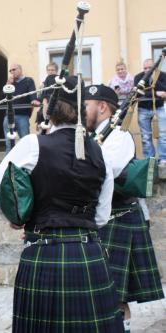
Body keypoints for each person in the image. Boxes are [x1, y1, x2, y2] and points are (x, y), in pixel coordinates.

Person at [0, 77, 124, 332]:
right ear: (82, 111)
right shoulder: (99, 152)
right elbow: (102, 216)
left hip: (43, 253)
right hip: (88, 252)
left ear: (47, 106)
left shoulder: (32, 144)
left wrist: (15, 217)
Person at [84, 84, 164, 332]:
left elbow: (105, 172)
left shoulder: (119, 137)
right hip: (102, 221)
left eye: (85, 105)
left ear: (102, 107)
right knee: (100, 292)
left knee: (115, 295)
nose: (81, 111)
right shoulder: (91, 138)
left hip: (120, 219)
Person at [134, 58, 166, 165]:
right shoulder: (138, 77)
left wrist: (154, 80)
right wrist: (157, 94)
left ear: (155, 68)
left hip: (159, 108)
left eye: (150, 68)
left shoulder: (163, 75)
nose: (147, 70)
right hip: (143, 109)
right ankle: (150, 160)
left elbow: (165, 90)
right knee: (146, 136)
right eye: (145, 68)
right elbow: (138, 94)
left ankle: (163, 159)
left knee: (163, 135)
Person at [3, 63, 40, 152]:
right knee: (8, 144)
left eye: (14, 69)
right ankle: (9, 164)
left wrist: (34, 100)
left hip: (23, 116)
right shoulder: (10, 83)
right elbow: (2, 98)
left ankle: (26, 164)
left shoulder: (28, 81)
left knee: (25, 142)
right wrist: (8, 84)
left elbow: (32, 94)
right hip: (8, 116)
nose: (12, 72)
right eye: (10, 70)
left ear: (20, 70)